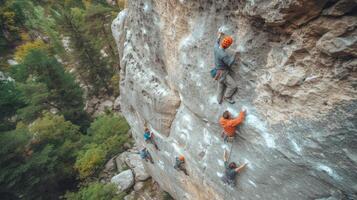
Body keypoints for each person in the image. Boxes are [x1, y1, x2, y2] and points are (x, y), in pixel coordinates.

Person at [214, 31, 240, 104]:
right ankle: (227, 97)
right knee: (233, 86)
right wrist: (235, 55)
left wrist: (219, 35)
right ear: (227, 46)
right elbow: (230, 63)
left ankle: (218, 101)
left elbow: (216, 42)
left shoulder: (216, 48)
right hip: (223, 73)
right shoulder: (223, 55)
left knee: (220, 86)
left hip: (217, 71)